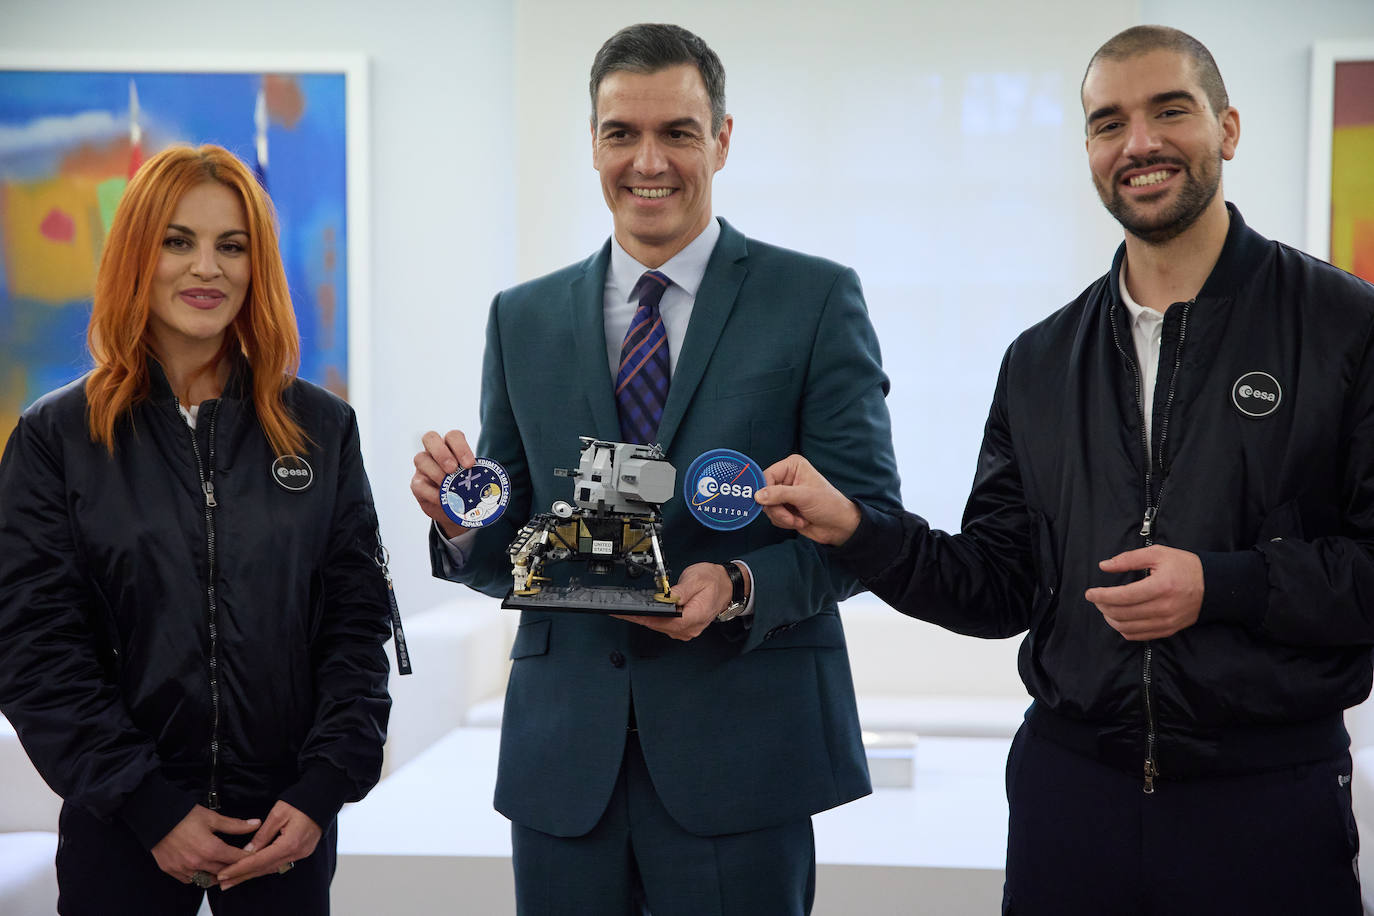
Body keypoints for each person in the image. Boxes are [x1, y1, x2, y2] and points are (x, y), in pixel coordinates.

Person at [756, 25, 1373, 916]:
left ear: (1228, 129)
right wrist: (858, 531)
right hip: (1070, 798)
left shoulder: (1343, 326)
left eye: (1171, 111)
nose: (1139, 143)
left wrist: (1222, 585)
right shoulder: (1040, 359)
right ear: (1088, 149)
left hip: (1269, 797)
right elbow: (1001, 586)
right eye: (1107, 122)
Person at [410, 23, 900, 915]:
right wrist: (460, 522)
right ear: (591, 143)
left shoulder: (814, 300)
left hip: (744, 753)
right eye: (620, 133)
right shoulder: (521, 318)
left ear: (720, 138)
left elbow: (867, 526)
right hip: (567, 765)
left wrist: (742, 582)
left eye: (677, 131)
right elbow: (509, 532)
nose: (649, 161)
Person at [0, 144, 394, 915]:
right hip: (122, 828)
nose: (205, 268)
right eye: (177, 241)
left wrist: (321, 792)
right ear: (137, 255)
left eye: (231, 246)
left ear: (258, 267)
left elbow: (356, 626)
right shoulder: (57, 437)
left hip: (284, 830)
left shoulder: (321, 429)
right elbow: (33, 646)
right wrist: (148, 805)